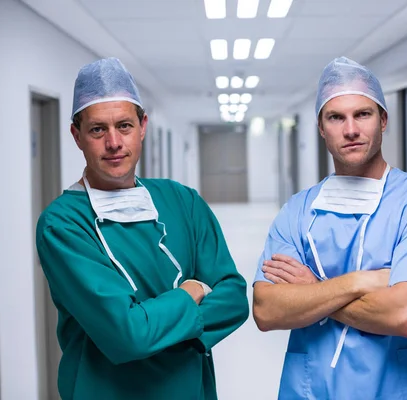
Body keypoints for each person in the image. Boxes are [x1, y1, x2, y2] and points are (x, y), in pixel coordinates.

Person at [36, 57, 249, 400]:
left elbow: (234, 298)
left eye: (124, 125)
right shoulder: (62, 225)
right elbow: (128, 335)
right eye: (97, 129)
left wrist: (152, 325)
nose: (114, 142)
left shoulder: (183, 201)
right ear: (77, 136)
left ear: (142, 126)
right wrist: (190, 292)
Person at [252, 57, 407, 399]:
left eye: (362, 114)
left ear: (383, 120)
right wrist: (360, 281)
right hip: (314, 389)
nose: (350, 129)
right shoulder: (297, 212)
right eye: (336, 117)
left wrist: (313, 290)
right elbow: (267, 310)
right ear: (321, 127)